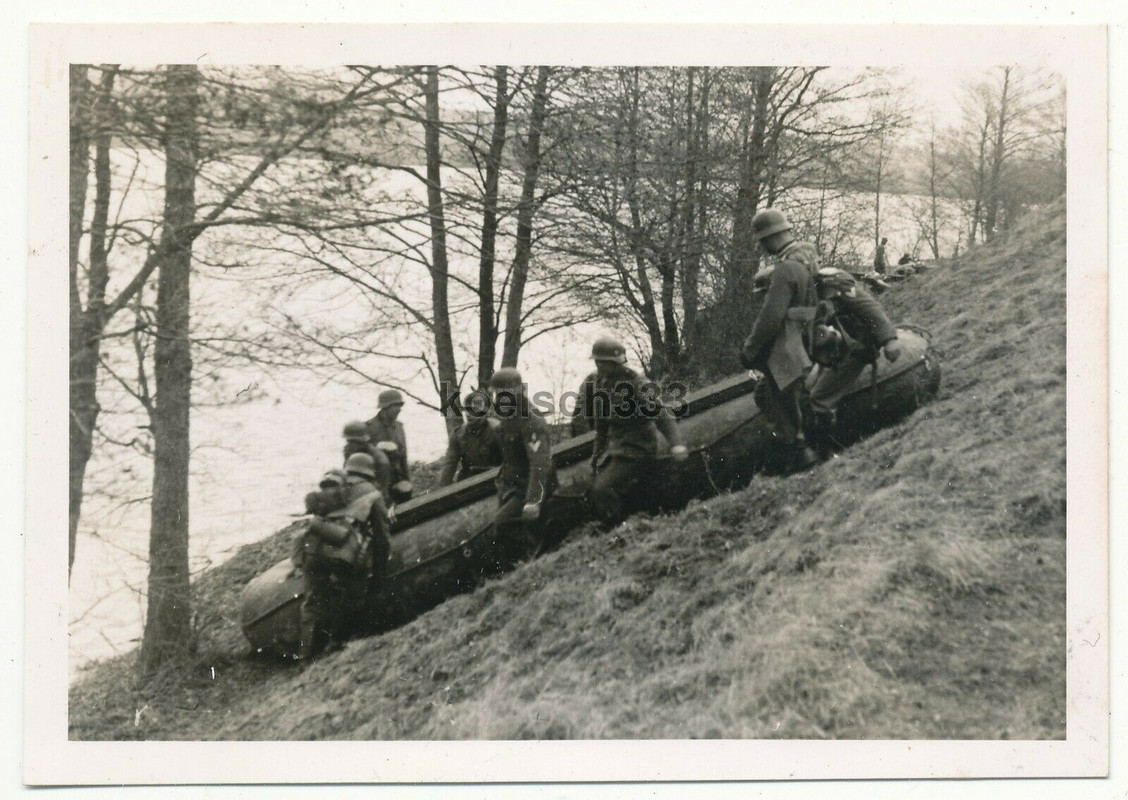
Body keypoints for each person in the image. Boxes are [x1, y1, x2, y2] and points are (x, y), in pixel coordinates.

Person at [740, 208, 821, 474]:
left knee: (779, 401)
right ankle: (796, 451)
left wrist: (750, 350)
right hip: (804, 339)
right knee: (768, 395)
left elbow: (770, 317)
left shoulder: (785, 270)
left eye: (763, 240)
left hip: (785, 346)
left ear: (771, 237)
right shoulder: (807, 262)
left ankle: (799, 458)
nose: (762, 246)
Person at [296, 452, 391, 661]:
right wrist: (380, 576)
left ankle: (307, 656)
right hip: (342, 553)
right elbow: (382, 539)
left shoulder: (334, 486)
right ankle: (338, 641)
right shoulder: (372, 493)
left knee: (312, 601)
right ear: (369, 472)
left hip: (313, 548)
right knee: (354, 594)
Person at [587, 336, 688, 526]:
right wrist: (595, 456)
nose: (599, 366)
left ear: (614, 363)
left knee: (601, 489)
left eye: (603, 362)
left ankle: (619, 529)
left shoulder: (636, 383)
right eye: (597, 362)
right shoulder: (601, 385)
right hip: (618, 448)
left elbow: (662, 414)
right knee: (596, 483)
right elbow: (601, 426)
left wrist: (677, 444)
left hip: (639, 447)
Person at [805, 267, 901, 450]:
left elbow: (870, 308)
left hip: (856, 348)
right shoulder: (804, 290)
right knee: (811, 390)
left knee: (819, 398)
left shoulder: (831, 279)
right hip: (834, 351)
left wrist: (889, 340)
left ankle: (829, 450)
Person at [488, 367, 557, 559]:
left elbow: (539, 463)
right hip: (511, 485)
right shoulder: (506, 418)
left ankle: (534, 559)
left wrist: (533, 500)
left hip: (528, 486)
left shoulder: (531, 421)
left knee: (504, 523)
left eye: (505, 395)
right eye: (498, 395)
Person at [438, 391, 503, 487]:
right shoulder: (458, 435)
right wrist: (442, 492)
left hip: (495, 478)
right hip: (470, 481)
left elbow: (511, 460)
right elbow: (449, 466)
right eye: (467, 410)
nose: (469, 414)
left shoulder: (497, 430)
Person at [366, 389, 412, 503]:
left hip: (399, 483)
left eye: (400, 405)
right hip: (379, 484)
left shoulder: (399, 427)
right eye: (396, 406)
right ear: (385, 407)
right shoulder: (369, 428)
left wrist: (408, 482)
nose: (399, 409)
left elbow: (403, 458)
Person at [341, 419, 391, 496]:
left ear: (360, 441)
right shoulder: (350, 452)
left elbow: (382, 487)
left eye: (351, 442)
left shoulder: (379, 458)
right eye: (348, 441)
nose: (348, 445)